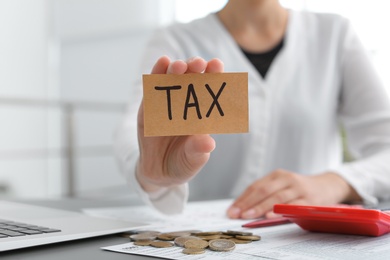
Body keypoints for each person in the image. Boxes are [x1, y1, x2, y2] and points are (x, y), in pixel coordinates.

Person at [114, 0, 390, 219]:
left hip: (306, 234)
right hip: (201, 237)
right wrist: (151, 173)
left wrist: (337, 182)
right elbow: (133, 128)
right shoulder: (175, 39)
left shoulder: (335, 33)